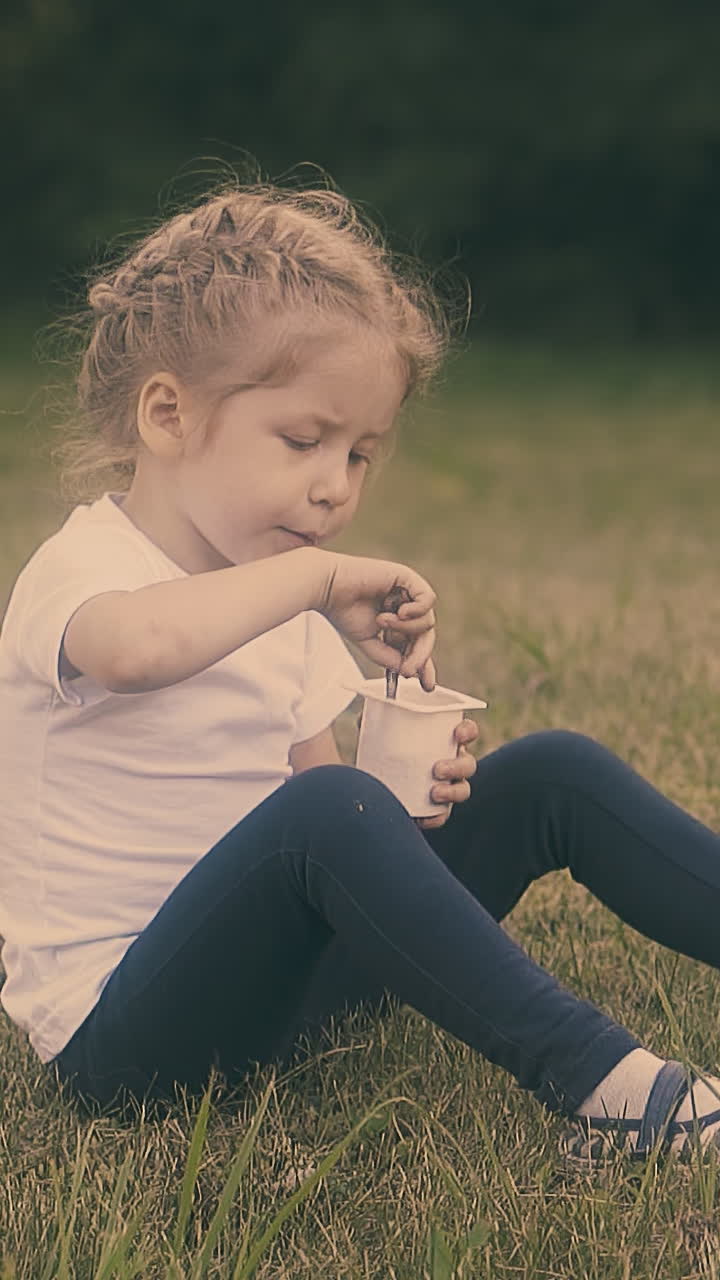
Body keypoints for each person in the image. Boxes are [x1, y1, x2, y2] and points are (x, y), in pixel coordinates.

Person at [1, 180, 719, 1169]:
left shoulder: (284, 600)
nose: (335, 486)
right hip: (126, 1040)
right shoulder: (83, 573)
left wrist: (408, 799)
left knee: (550, 770)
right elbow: (136, 651)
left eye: (361, 454)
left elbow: (324, 814)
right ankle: (614, 1090)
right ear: (168, 414)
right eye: (304, 440)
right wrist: (309, 582)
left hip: (280, 997)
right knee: (331, 811)